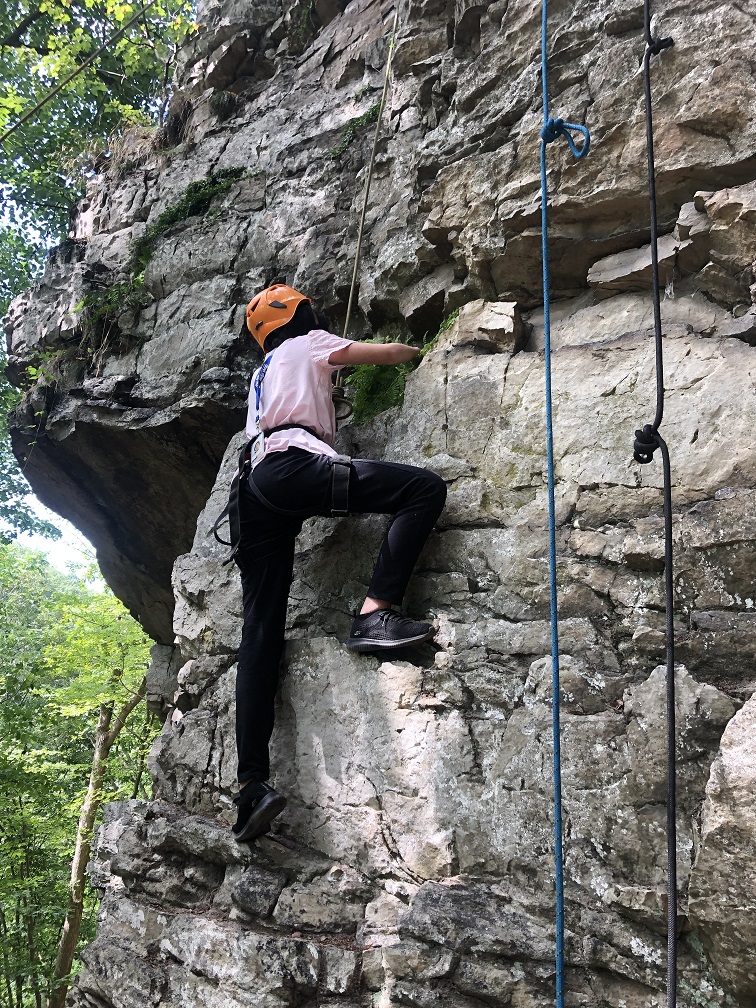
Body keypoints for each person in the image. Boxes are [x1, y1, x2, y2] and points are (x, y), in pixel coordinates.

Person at [231, 282, 447, 842]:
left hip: (252, 489)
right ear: (299, 314)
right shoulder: (308, 343)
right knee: (422, 489)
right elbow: (390, 353)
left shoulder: (263, 372)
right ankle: (374, 613)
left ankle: (251, 783)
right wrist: (428, 348)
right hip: (293, 466)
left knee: (260, 634)